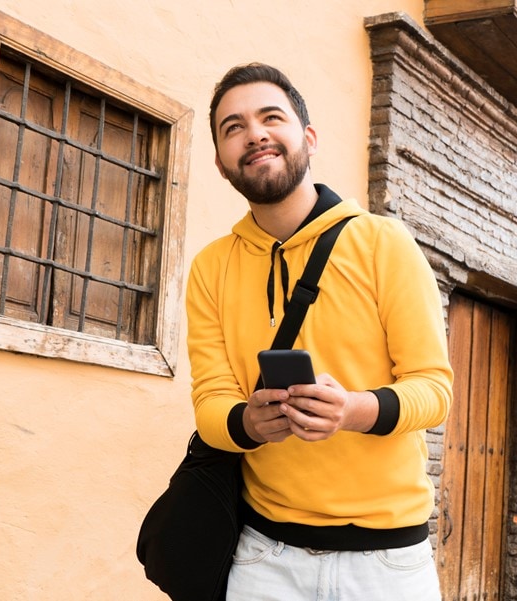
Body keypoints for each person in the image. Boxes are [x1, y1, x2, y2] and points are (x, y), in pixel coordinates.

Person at [185, 62, 453, 600]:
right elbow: (211, 404)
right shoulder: (211, 268)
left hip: (388, 564)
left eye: (270, 117)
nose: (254, 133)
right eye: (232, 127)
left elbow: (434, 390)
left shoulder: (384, 243)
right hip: (266, 559)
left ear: (307, 137)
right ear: (220, 162)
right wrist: (248, 423)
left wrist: (352, 410)